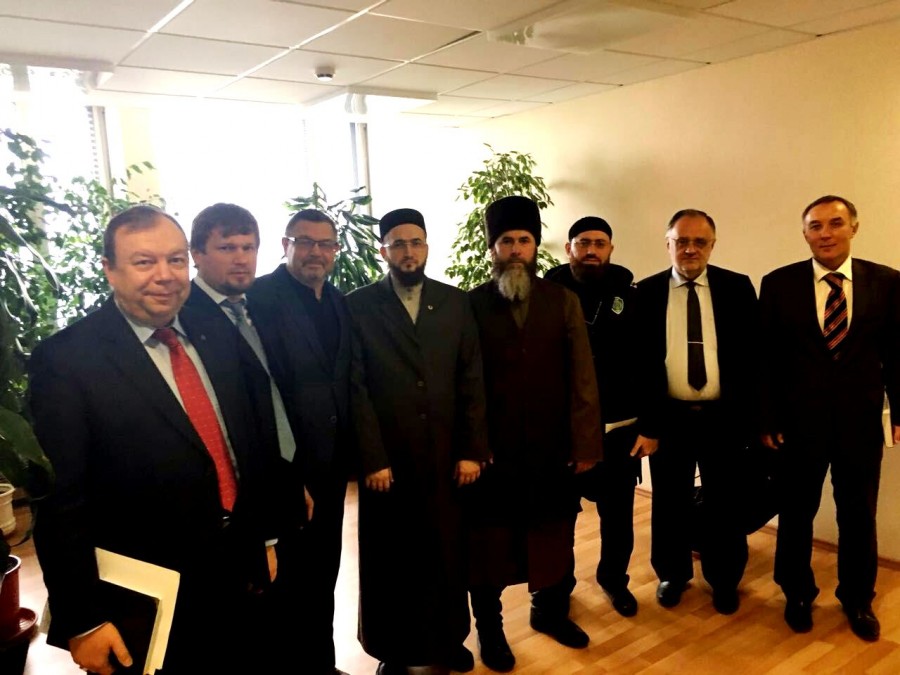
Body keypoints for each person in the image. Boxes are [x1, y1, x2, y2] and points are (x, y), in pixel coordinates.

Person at [28, 205, 279, 675]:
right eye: (144, 262)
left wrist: (262, 535)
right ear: (110, 270)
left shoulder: (214, 330)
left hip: (235, 571)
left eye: (176, 260)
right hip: (145, 594)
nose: (165, 275)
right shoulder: (65, 361)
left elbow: (247, 441)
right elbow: (60, 503)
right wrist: (83, 619)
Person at [347, 208, 490, 675]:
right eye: (398, 244)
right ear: (383, 250)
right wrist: (372, 457)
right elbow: (355, 386)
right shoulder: (358, 306)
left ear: (427, 246)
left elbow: (471, 378)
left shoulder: (455, 302)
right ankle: (395, 650)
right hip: (388, 462)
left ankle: (448, 640)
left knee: (446, 554)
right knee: (393, 560)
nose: (408, 252)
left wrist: (471, 450)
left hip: (446, 455)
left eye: (416, 242)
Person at [466, 195, 602, 673]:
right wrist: (472, 447)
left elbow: (582, 376)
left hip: (551, 448)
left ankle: (550, 613)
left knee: (553, 536)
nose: (516, 249)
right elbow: (463, 382)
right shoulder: (471, 305)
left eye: (524, 240)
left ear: (536, 246)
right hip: (492, 453)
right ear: (493, 248)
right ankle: (490, 630)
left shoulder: (562, 301)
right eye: (506, 241)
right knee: (487, 547)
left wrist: (586, 444)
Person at [760, 195, 900, 641]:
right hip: (797, 425)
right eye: (815, 226)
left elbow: (897, 353)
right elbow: (766, 360)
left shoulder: (887, 282)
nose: (825, 233)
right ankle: (797, 594)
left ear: (854, 228)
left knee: (858, 514)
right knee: (796, 512)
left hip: (860, 423)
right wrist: (767, 418)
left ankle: (857, 598)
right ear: (805, 233)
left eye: (835, 223)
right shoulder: (778, 283)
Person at [634, 208, 758, 615]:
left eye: (699, 242)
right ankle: (672, 574)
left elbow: (754, 358)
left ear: (712, 245)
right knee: (670, 501)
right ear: (668, 244)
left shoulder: (737, 287)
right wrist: (648, 424)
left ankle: (724, 579)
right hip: (669, 418)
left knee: (726, 502)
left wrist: (752, 419)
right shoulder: (646, 292)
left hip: (724, 418)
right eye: (681, 241)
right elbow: (641, 366)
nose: (690, 249)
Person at [247, 208, 353, 675]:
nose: (316, 252)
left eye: (325, 244)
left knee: (323, 573)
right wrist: (285, 475)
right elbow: (256, 393)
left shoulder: (338, 301)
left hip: (332, 466)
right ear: (285, 245)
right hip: (285, 471)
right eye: (305, 241)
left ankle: (321, 665)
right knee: (283, 581)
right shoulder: (258, 300)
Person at [545, 216, 656, 617]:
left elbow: (649, 363)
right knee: (560, 520)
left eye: (600, 243)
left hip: (618, 432)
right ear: (569, 248)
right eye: (583, 243)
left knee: (618, 519)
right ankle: (559, 587)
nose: (592, 250)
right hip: (562, 434)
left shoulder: (632, 298)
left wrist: (650, 425)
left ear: (610, 249)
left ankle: (614, 580)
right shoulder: (547, 297)